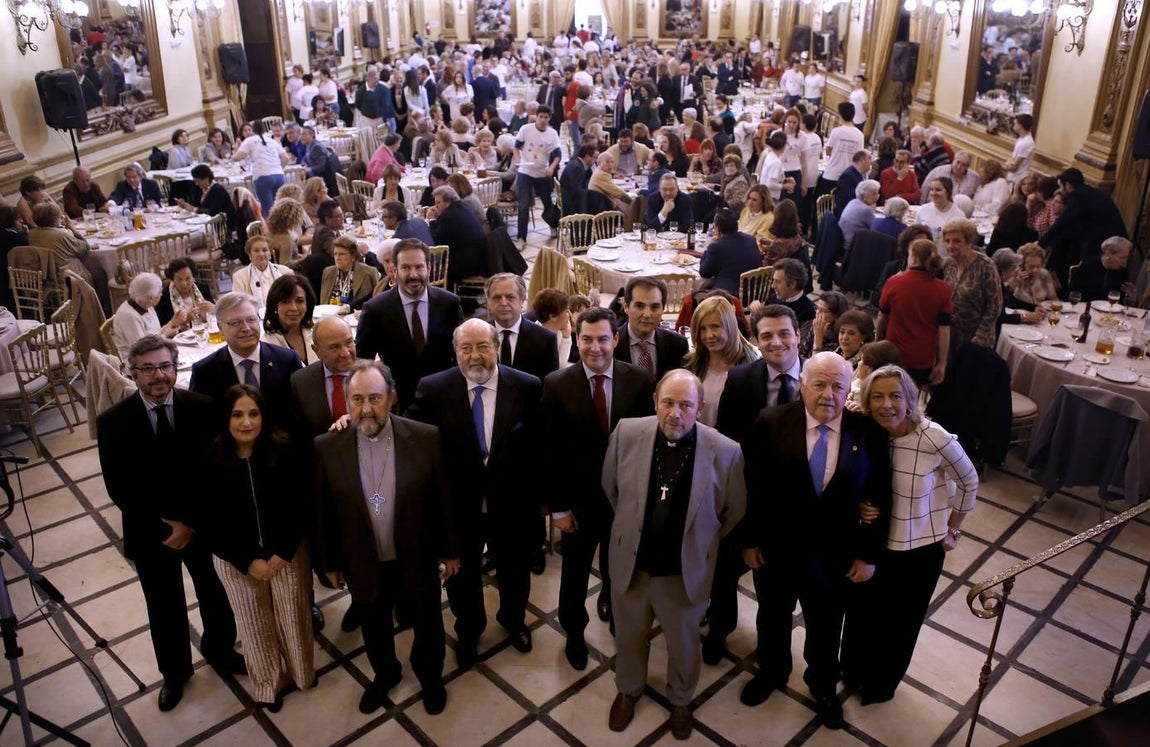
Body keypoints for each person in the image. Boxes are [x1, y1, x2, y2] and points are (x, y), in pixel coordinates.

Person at [738, 352, 892, 730]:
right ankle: (772, 672)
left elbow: (879, 493)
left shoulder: (867, 432)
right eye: (819, 384)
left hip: (835, 555)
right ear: (802, 385)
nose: (828, 394)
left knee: (826, 627)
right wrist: (749, 540)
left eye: (838, 386)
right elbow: (752, 488)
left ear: (849, 389)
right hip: (776, 550)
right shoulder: (770, 422)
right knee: (772, 617)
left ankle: (822, 686)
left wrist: (869, 554)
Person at [96, 335, 244, 712]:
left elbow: (216, 473)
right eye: (147, 369)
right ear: (134, 373)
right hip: (150, 532)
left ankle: (221, 651)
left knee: (214, 593)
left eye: (164, 366)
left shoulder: (203, 407)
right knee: (163, 605)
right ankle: (175, 674)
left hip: (202, 525)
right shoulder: (112, 422)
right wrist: (169, 527)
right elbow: (120, 488)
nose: (158, 375)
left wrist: (190, 523)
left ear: (175, 367)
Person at [603, 370, 746, 740]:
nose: (675, 414)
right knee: (629, 636)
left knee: (683, 644)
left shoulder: (725, 451)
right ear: (655, 402)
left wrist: (698, 542)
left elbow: (731, 512)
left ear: (700, 409)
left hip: (683, 572)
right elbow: (612, 489)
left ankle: (681, 699)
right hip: (632, 564)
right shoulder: (627, 434)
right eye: (667, 403)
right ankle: (628, 689)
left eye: (686, 405)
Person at [312, 360, 458, 715]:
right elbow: (323, 513)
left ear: (391, 397)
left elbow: (445, 501)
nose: (366, 408)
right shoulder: (327, 447)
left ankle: (429, 676)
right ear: (346, 402)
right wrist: (328, 563)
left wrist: (451, 552)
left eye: (374, 398)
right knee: (374, 626)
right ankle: (386, 673)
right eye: (357, 399)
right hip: (362, 558)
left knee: (427, 623)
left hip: (416, 556)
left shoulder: (425, 437)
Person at [407, 319, 543, 665]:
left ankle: (514, 622)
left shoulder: (526, 386)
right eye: (466, 348)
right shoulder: (433, 388)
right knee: (461, 577)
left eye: (483, 346)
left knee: (515, 570)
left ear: (497, 346)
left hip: (511, 506)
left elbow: (541, 445)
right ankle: (469, 630)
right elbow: (411, 440)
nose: (475, 355)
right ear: (455, 352)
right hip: (457, 507)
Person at [842, 365, 977, 704]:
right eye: (877, 397)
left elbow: (968, 480)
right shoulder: (865, 432)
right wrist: (858, 504)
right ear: (867, 402)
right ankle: (852, 673)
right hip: (874, 544)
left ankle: (880, 685)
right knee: (861, 615)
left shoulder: (935, 437)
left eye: (895, 396)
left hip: (920, 549)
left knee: (900, 624)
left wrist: (953, 526)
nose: (887, 405)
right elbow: (847, 476)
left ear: (910, 400)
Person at [543, 307, 655, 669]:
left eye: (603, 339)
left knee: (619, 567)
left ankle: (612, 605)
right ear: (577, 340)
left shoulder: (639, 381)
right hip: (578, 504)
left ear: (616, 339)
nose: (595, 348)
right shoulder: (557, 384)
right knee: (573, 575)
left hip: (625, 502)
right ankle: (574, 633)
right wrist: (558, 508)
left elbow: (647, 446)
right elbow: (552, 451)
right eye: (586, 339)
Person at [206, 385, 314, 712]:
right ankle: (269, 684)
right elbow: (211, 521)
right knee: (254, 625)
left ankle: (301, 674)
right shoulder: (210, 460)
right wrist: (247, 560)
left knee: (294, 616)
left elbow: (300, 505)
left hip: (286, 552)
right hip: (236, 559)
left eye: (254, 413)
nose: (246, 422)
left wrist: (281, 552)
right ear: (225, 419)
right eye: (237, 414)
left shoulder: (284, 449)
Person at [355, 239, 465, 410]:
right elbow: (363, 362)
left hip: (444, 399)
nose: (413, 274)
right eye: (406, 267)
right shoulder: (376, 309)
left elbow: (461, 353)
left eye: (419, 267)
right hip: (398, 404)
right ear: (394, 270)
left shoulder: (449, 304)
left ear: (429, 268)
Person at [189, 292, 304, 420]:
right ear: (220, 327)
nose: (246, 328)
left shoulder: (287, 360)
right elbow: (200, 421)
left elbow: (301, 411)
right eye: (235, 323)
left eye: (251, 320)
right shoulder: (204, 371)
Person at [876, 238, 953, 386]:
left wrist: (879, 340)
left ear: (913, 257)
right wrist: (942, 363)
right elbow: (944, 330)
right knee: (911, 399)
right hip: (922, 357)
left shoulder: (894, 282)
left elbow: (882, 317)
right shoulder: (944, 289)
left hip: (893, 351)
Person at [682, 296, 759, 428]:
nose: (709, 335)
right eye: (703, 329)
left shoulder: (753, 368)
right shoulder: (690, 365)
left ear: (730, 326)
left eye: (715, 327)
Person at [941, 219, 1003, 352]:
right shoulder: (947, 264)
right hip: (951, 336)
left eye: (957, 241)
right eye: (948, 241)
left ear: (969, 242)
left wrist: (979, 337)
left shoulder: (986, 266)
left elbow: (994, 306)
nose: (951, 245)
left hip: (977, 339)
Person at [487, 273, 559, 383]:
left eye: (510, 297)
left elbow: (549, 387)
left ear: (522, 299)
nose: (503, 303)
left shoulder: (545, 339)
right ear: (488, 301)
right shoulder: (477, 336)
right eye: (497, 297)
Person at [615, 277, 689, 381]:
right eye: (640, 306)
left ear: (663, 308)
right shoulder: (610, 344)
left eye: (654, 307)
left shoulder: (677, 344)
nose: (647, 314)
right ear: (626, 307)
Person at [513, 105, 562, 243]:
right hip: (525, 171)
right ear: (537, 116)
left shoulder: (552, 134)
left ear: (549, 118)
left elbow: (557, 155)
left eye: (546, 117)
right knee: (523, 205)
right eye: (541, 117)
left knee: (547, 203)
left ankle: (553, 225)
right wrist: (518, 160)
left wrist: (552, 167)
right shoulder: (526, 129)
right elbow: (516, 147)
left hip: (542, 173)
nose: (543, 120)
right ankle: (521, 237)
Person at [426, 186, 488, 288]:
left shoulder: (447, 216)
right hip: (480, 259)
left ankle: (443, 291)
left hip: (465, 266)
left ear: (448, 201)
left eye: (438, 202)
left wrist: (432, 220)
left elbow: (436, 241)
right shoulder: (462, 207)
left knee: (434, 262)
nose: (435, 206)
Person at [111, 273, 185, 359]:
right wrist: (166, 335)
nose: (161, 294)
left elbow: (155, 333)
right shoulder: (130, 317)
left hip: (155, 352)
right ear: (151, 298)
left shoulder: (145, 304)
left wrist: (172, 322)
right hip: (138, 362)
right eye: (159, 292)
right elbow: (142, 349)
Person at [699, 208, 761, 296]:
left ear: (717, 228)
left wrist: (709, 247)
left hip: (729, 296)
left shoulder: (716, 246)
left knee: (698, 290)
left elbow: (704, 272)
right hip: (754, 293)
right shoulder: (751, 239)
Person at [234, 121, 291, 216]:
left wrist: (236, 148)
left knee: (268, 211)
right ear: (265, 130)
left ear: (253, 130)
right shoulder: (272, 141)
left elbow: (237, 157)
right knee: (280, 208)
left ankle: (270, 230)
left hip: (263, 175)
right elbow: (286, 158)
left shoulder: (249, 141)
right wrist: (279, 168)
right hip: (279, 175)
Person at [262, 274, 319, 365]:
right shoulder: (266, 344)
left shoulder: (317, 334)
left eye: (299, 301)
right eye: (285, 302)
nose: (293, 308)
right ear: (275, 306)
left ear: (308, 304)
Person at [320, 235, 381, 311]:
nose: (337, 258)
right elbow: (323, 302)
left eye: (341, 254)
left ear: (353, 256)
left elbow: (377, 298)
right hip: (331, 315)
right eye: (335, 254)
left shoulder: (368, 273)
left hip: (355, 316)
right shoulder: (328, 272)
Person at [231, 235, 293, 308]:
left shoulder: (285, 272)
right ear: (250, 254)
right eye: (256, 251)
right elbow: (238, 305)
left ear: (270, 254)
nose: (261, 254)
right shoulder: (239, 277)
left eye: (264, 250)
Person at [1069, 235, 1134, 303]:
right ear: (1108, 254)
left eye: (1126, 258)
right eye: (1122, 258)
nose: (1125, 262)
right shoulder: (1086, 268)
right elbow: (1073, 295)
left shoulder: (1122, 273)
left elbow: (1121, 302)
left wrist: (1130, 298)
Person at [154, 257, 215, 328]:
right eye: (179, 279)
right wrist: (185, 320)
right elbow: (161, 327)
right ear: (172, 279)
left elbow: (217, 314)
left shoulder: (202, 288)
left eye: (188, 278)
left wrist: (214, 308)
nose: (184, 283)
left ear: (193, 277)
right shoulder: (164, 297)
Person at [917, 177, 967, 243]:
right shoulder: (923, 209)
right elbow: (916, 234)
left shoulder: (959, 215)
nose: (933, 193)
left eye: (938, 190)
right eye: (932, 189)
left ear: (948, 192)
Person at [769, 258, 816, 325]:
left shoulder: (808, 313)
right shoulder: (774, 297)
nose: (773, 286)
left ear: (792, 284)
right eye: (773, 281)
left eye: (778, 282)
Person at [839, 179, 880, 251]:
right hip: (852, 246)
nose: (877, 197)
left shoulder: (853, 201)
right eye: (874, 194)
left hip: (842, 240)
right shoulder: (865, 210)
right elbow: (876, 228)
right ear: (865, 196)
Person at [560, 145, 596, 216]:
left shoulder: (576, 163)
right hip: (571, 203)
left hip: (568, 196)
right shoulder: (577, 169)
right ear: (587, 157)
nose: (595, 161)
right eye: (594, 157)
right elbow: (577, 191)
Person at [1004, 114, 1035, 186]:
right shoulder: (1022, 139)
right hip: (1013, 178)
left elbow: (1014, 166)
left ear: (1020, 126)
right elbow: (1013, 159)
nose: (1014, 126)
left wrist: (1005, 166)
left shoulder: (1025, 143)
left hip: (1015, 180)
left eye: (1015, 124)